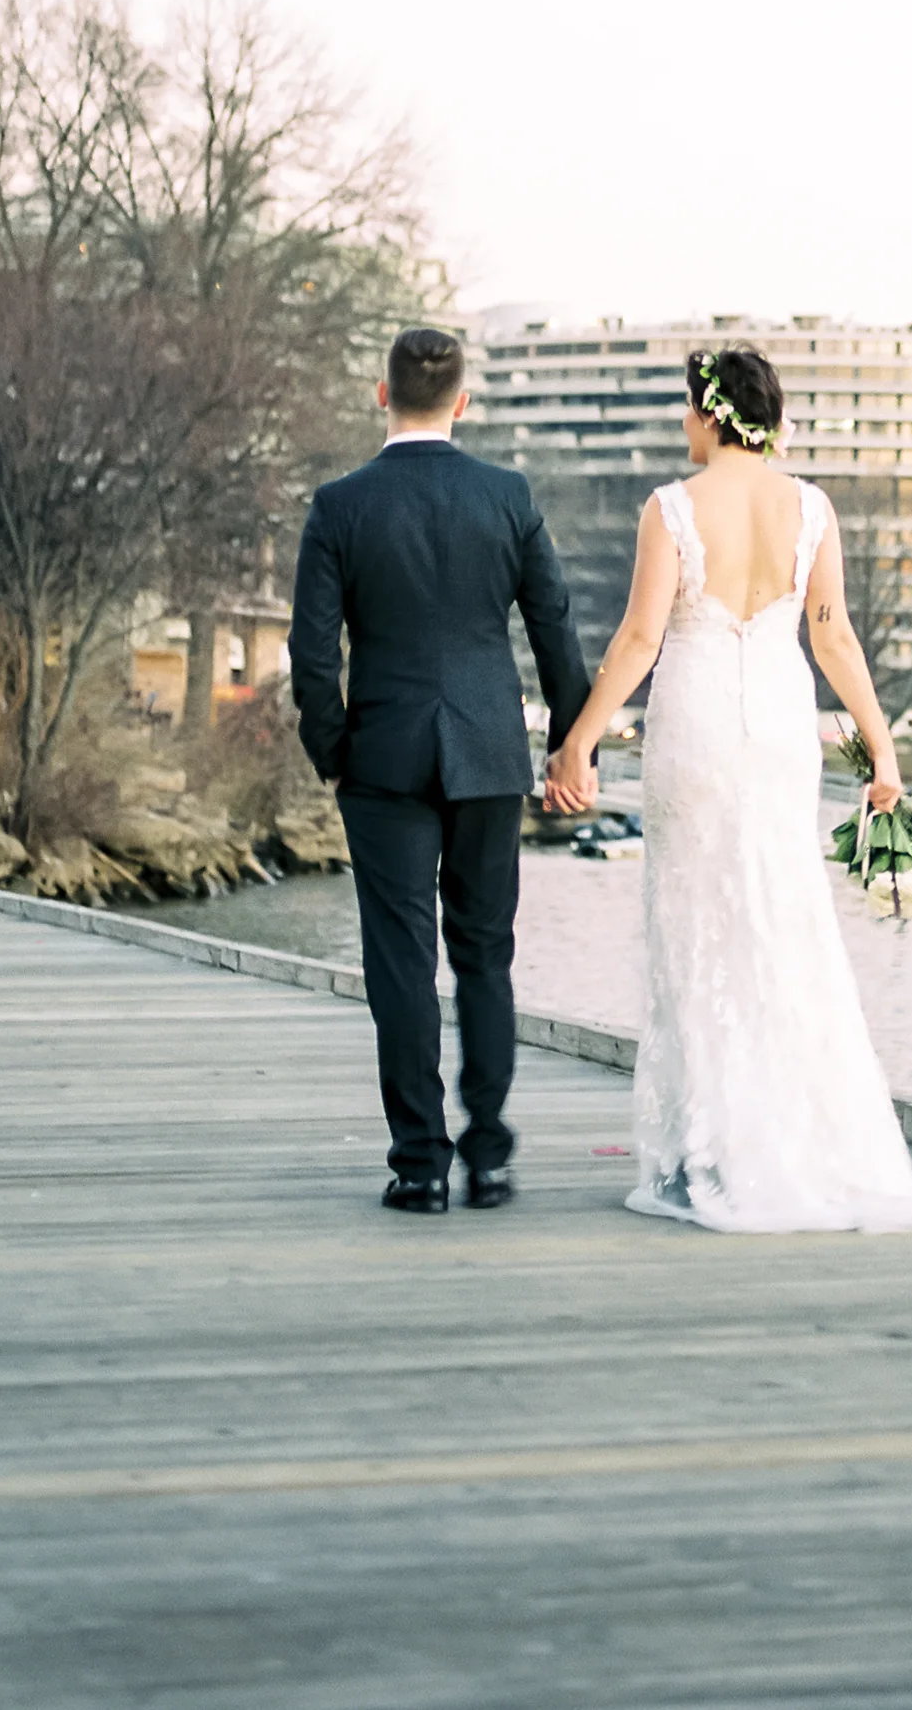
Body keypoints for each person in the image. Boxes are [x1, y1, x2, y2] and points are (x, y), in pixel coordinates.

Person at [547, 345, 912, 1236]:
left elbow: (638, 640)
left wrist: (578, 743)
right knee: (782, 918)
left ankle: (708, 1150)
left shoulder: (672, 507)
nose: (683, 424)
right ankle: (798, 1142)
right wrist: (882, 751)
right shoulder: (810, 508)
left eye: (687, 408)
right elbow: (833, 639)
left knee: (696, 927)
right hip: (782, 733)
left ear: (710, 415)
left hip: (698, 726)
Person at [290, 325, 591, 1214]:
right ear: (462, 402)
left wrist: (333, 751)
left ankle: (419, 1165)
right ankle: (488, 1157)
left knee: (401, 962)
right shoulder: (507, 496)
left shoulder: (339, 505)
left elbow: (312, 653)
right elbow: (554, 628)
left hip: (382, 756)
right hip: (489, 754)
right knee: (485, 954)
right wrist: (568, 745)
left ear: (382, 394)